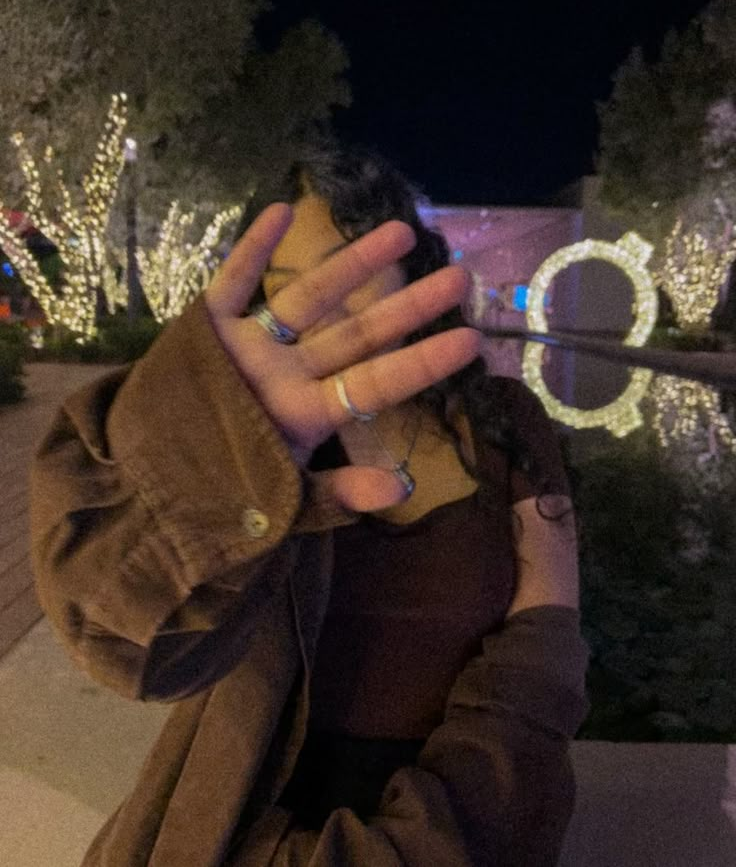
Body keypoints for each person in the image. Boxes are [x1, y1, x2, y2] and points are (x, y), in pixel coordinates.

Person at [30, 147, 587, 866]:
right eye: (291, 285)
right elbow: (123, 631)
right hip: (253, 822)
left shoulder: (503, 422)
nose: (322, 308)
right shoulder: (257, 450)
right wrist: (208, 455)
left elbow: (547, 633)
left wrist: (448, 821)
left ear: (407, 268)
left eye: (347, 272)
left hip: (470, 800)